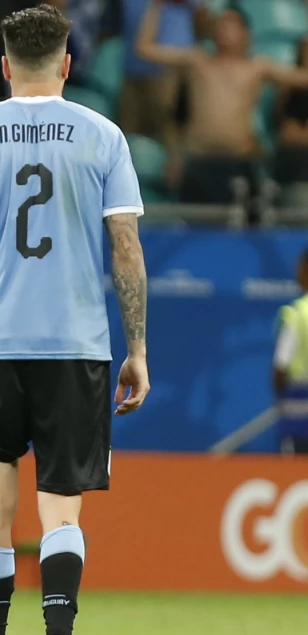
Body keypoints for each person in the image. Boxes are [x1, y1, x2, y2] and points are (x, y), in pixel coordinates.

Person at [0, 6, 149, 635]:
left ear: (3, 66)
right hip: (75, 346)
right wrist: (136, 346)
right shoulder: (103, 135)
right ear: (67, 64)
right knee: (61, 508)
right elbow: (126, 248)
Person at [136, 1, 308, 203]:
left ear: (246, 33)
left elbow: (303, 78)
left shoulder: (255, 67)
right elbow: (145, 49)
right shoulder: (197, 62)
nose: (224, 29)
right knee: (195, 229)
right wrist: (156, 7)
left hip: (239, 164)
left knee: (240, 228)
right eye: (220, 23)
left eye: (231, 24)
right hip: (199, 164)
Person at [273, 249, 308, 454]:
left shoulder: (297, 314)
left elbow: (280, 366)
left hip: (298, 403)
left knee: (297, 468)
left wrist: (281, 397)